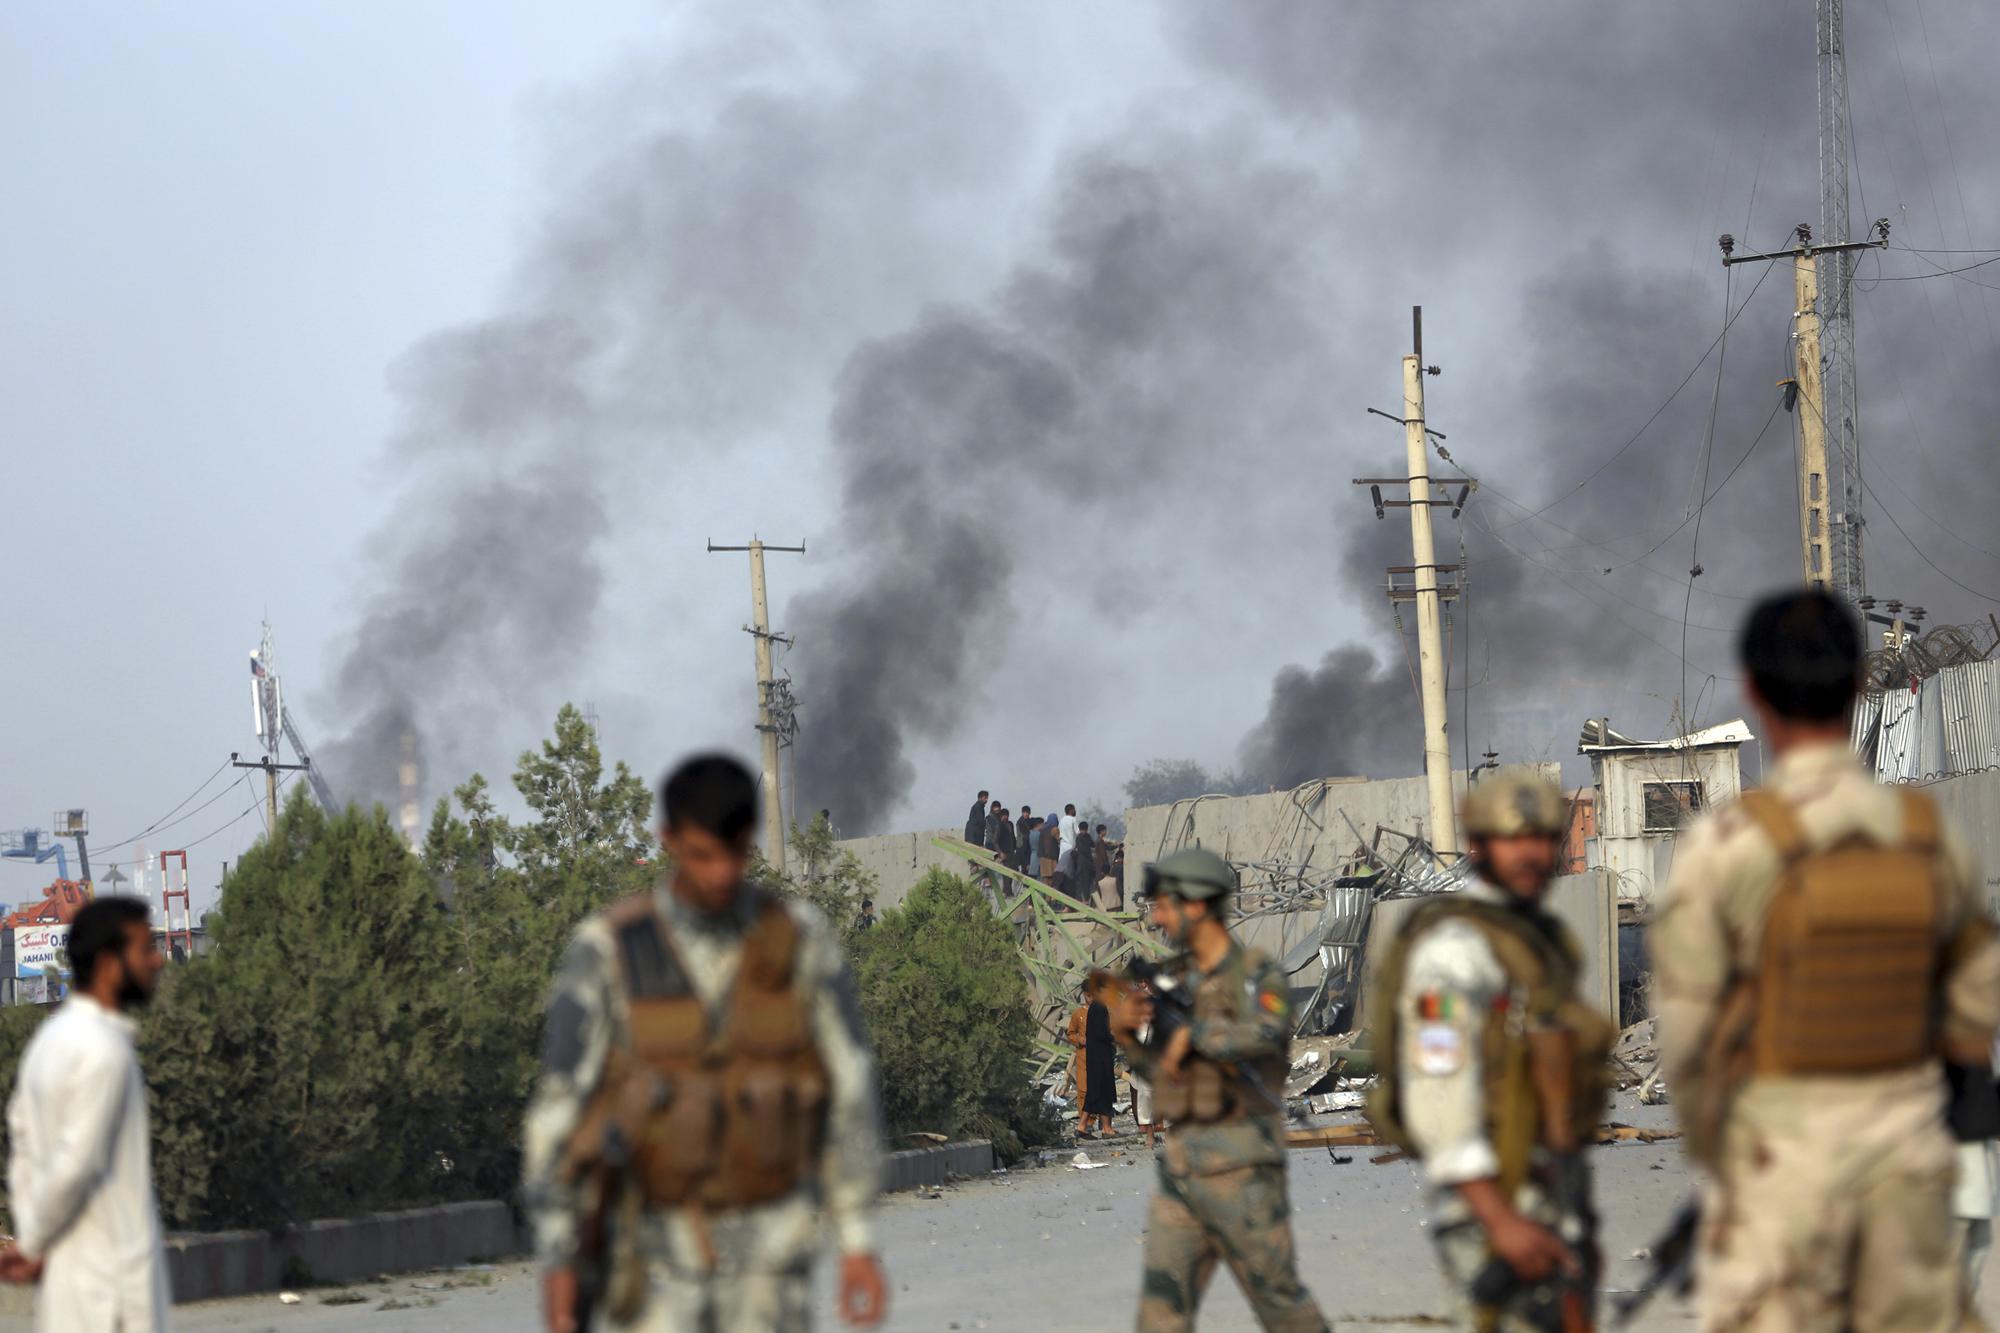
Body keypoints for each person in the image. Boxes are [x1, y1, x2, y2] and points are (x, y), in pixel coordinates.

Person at [1652, 589, 2000, 1332]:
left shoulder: (1726, 846)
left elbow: (1688, 1048)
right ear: (1854, 685)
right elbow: (1973, 1025)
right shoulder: (1925, 832)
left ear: (1751, 691)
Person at [522, 754, 889, 1333]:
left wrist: (857, 1241)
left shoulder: (799, 941)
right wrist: (560, 1258)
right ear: (667, 841)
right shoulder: (610, 950)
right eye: (701, 855)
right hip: (653, 1262)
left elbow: (847, 1087)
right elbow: (560, 1110)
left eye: (735, 853)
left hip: (770, 1259)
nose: (720, 874)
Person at [1368, 771, 1612, 1332]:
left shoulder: (1538, 938)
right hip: (1489, 1206)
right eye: (1512, 837)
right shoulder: (1454, 952)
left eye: (1543, 838)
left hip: (1550, 1193)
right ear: (1478, 845)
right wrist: (1498, 1217)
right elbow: (1437, 1085)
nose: (1531, 852)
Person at [1108, 848, 1327, 1332]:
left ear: (1198, 905)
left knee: (1281, 1306)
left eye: (1165, 906)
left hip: (1244, 1170)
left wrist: (1199, 1034)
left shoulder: (1255, 973)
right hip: (1183, 1170)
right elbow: (1163, 1075)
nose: (1157, 918)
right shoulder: (1172, 980)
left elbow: (1271, 1030)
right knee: (1160, 1318)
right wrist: (1125, 1035)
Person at [3, 896, 170, 1332]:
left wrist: (32, 1235)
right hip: (114, 1292)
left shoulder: (49, 1041)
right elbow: (76, 1163)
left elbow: (22, 1142)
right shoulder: (105, 1053)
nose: (158, 962)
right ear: (109, 963)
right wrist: (35, 1243)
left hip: (67, 1287)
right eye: (145, 949)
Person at [1084, 982, 1118, 1138]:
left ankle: (1105, 1127)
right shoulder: (1099, 1007)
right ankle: (1087, 1125)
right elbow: (1101, 1033)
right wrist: (1114, 1037)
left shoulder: (1095, 1007)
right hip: (1100, 1057)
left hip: (1097, 1056)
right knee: (1099, 1091)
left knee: (1099, 1092)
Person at [1067, 987, 1095, 1138]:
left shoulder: (1102, 1012)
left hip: (1099, 1056)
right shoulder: (1078, 1014)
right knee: (1083, 1090)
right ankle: (1087, 1123)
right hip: (1083, 1056)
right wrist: (1079, 1039)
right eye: (1089, 995)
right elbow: (1070, 1033)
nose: (1091, 998)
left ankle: (1097, 1121)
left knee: (1098, 1089)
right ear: (1084, 994)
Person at [994, 806, 1018, 874]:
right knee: (1006, 875)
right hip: (1004, 853)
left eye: (1007, 815)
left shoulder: (1010, 824)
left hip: (1012, 853)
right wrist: (1000, 853)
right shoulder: (998, 826)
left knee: (1013, 873)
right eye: (1004, 815)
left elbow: (1013, 837)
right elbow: (995, 841)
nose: (1006, 817)